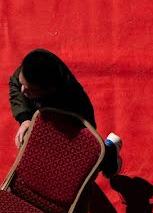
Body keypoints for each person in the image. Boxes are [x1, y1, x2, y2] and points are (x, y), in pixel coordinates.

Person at [9, 48, 122, 176]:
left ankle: (110, 154)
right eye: (21, 83)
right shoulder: (32, 69)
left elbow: (80, 140)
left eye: (29, 90)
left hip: (72, 130)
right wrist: (25, 119)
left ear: (48, 90)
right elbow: (15, 83)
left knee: (88, 158)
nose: (22, 90)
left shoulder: (74, 107)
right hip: (49, 117)